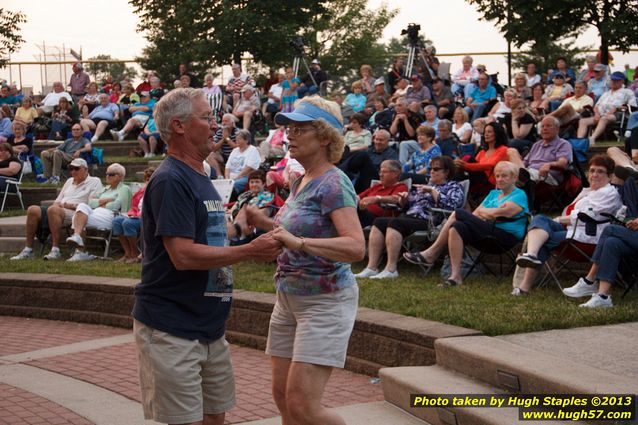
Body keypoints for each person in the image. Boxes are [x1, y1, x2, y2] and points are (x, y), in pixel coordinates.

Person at [132, 88, 281, 425]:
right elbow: (182, 255)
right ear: (179, 126)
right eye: (207, 117)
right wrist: (249, 251)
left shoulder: (201, 174)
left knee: (214, 418)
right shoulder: (170, 179)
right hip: (172, 326)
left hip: (209, 326)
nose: (216, 125)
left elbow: (210, 235)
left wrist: (247, 225)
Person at [244, 96, 364, 425]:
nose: (288, 135)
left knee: (303, 407)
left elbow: (355, 247)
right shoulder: (301, 180)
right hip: (289, 298)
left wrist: (298, 242)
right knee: (283, 400)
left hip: (324, 302)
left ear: (326, 137)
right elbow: (292, 233)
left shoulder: (334, 182)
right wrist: (267, 225)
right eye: (287, 128)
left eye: (299, 128)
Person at [404, 161, 527, 286]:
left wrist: (487, 212)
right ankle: (455, 276)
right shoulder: (493, 194)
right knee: (456, 227)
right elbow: (477, 213)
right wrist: (491, 212)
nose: (500, 179)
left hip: (504, 238)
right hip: (487, 233)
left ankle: (432, 253)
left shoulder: (519, 195)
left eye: (504, 176)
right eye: (497, 176)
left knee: (459, 213)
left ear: (514, 178)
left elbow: (500, 214)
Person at [513, 155, 622, 296]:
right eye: (592, 170)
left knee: (544, 239)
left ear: (610, 176)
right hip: (572, 230)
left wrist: (558, 220)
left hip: (589, 238)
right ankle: (531, 255)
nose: (594, 175)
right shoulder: (588, 191)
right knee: (540, 219)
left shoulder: (609, 193)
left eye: (600, 171)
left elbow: (587, 216)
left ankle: (524, 287)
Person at [358, 156, 464, 279]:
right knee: (379, 222)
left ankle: (391, 269)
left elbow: (452, 207)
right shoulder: (424, 187)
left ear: (446, 172)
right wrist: (404, 201)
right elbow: (408, 206)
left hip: (430, 221)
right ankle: (371, 267)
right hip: (410, 217)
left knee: (395, 223)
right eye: (430, 169)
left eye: (436, 169)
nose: (432, 172)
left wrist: (433, 192)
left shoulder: (453, 187)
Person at [11, 158, 102, 261]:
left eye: (76, 169)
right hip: (60, 209)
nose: (73, 171)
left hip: (79, 212)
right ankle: (28, 250)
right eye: (71, 169)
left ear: (86, 169)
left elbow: (92, 204)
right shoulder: (69, 181)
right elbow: (57, 201)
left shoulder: (95, 181)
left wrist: (71, 206)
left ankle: (55, 249)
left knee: (53, 210)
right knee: (33, 209)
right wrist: (59, 205)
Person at [65, 163, 132, 261]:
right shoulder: (105, 189)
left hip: (112, 215)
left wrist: (100, 202)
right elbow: (90, 202)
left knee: (78, 217)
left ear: (119, 176)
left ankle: (79, 250)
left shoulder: (124, 189)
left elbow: (116, 205)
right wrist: (107, 200)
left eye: (111, 174)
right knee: (82, 207)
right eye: (106, 174)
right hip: (97, 212)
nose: (107, 176)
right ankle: (78, 244)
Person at [576, 71, 637, 146]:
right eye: (612, 80)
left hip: (617, 115)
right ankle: (579, 141)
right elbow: (596, 106)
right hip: (600, 115)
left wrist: (617, 108)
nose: (613, 82)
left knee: (604, 118)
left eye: (616, 80)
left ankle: (592, 138)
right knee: (583, 121)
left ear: (622, 81)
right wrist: (597, 114)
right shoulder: (606, 93)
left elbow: (632, 107)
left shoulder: (627, 92)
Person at [455, 122, 512, 194]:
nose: (486, 134)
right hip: (478, 181)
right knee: (462, 162)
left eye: (489, 132)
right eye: (485, 132)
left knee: (467, 158)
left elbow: (490, 165)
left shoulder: (504, 149)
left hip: (490, 182)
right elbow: (475, 167)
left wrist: (466, 165)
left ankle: (452, 187)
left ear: (497, 134)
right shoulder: (482, 152)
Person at [113, 166, 155, 263]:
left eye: (151, 179)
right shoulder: (140, 192)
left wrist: (138, 215)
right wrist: (133, 213)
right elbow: (134, 207)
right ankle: (127, 253)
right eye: (147, 179)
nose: (149, 181)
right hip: (137, 216)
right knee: (117, 221)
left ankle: (135, 253)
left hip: (148, 218)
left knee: (128, 223)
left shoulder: (156, 191)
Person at [515, 116, 572, 186]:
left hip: (547, 175)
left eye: (548, 126)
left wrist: (549, 164)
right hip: (529, 172)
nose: (545, 129)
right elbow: (525, 162)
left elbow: (562, 163)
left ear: (557, 129)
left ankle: (519, 179)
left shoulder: (563, 144)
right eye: (542, 126)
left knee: (516, 177)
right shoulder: (536, 145)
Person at [226, 170, 277, 243]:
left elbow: (262, 212)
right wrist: (230, 212)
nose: (254, 184)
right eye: (252, 182)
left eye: (257, 182)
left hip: (254, 224)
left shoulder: (267, 196)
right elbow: (235, 206)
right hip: (237, 221)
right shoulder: (244, 195)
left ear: (263, 184)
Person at [356, 159, 408, 227]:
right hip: (362, 213)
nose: (380, 175)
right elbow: (358, 197)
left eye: (384, 172)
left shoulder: (400, 186)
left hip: (378, 218)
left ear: (395, 174)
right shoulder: (377, 186)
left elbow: (396, 198)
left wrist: (378, 199)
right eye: (380, 172)